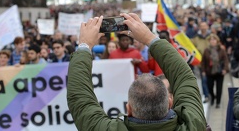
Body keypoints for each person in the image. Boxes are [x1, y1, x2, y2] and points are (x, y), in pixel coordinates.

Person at [67, 14, 206, 130]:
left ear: (129, 109)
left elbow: (80, 98)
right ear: (170, 102)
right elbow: (184, 77)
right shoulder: (192, 124)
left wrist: (85, 45)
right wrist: (149, 38)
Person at [201, 34, 229, 108]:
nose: (212, 41)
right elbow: (203, 61)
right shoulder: (206, 50)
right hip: (209, 72)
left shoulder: (221, 50)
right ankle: (213, 97)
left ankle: (218, 102)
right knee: (210, 86)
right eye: (211, 40)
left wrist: (225, 69)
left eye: (214, 39)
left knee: (219, 88)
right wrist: (203, 71)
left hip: (219, 72)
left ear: (217, 41)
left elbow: (226, 60)